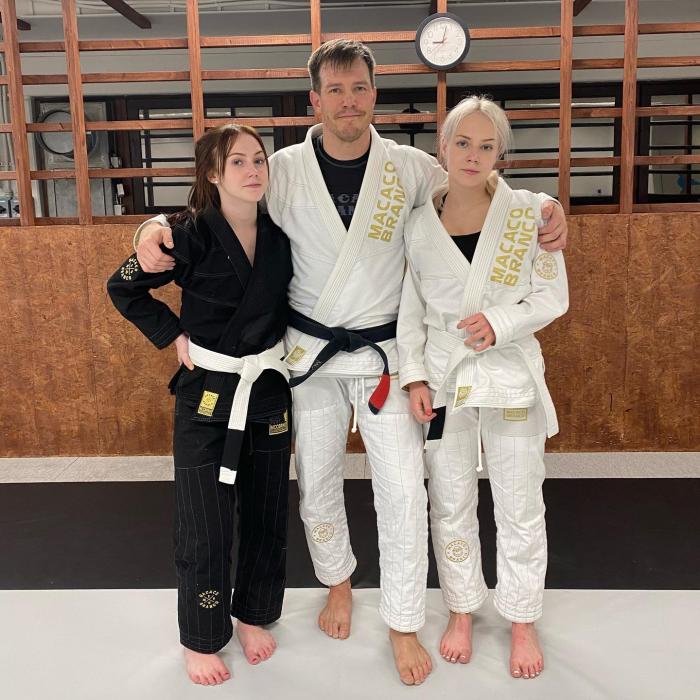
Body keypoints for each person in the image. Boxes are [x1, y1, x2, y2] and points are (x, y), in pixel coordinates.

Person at [132, 40, 568, 686]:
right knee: (317, 483)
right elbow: (215, 207)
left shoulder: (411, 169)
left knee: (404, 490)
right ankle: (338, 582)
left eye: (358, 88)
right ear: (315, 99)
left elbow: (476, 187)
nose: (347, 101)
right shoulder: (281, 170)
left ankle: (401, 620)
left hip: (386, 356)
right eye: (334, 90)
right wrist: (148, 229)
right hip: (309, 356)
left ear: (374, 94)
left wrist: (546, 211)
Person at [107, 124, 293, 687]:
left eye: (258, 159)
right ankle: (202, 635)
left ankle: (253, 613)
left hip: (267, 389)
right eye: (237, 162)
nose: (253, 170)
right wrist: (172, 334)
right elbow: (122, 287)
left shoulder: (281, 233)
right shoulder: (185, 235)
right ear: (213, 174)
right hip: (209, 392)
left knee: (267, 512)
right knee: (204, 522)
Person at [397, 96, 569, 680]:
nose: (473, 155)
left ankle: (521, 617)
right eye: (463, 143)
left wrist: (500, 323)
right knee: (450, 502)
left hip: (510, 377)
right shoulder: (418, 224)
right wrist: (413, 376)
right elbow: (410, 310)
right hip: (445, 380)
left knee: (520, 502)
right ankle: (462, 607)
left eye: (486, 146)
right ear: (442, 149)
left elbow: (552, 296)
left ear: (501, 154)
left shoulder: (530, 213)